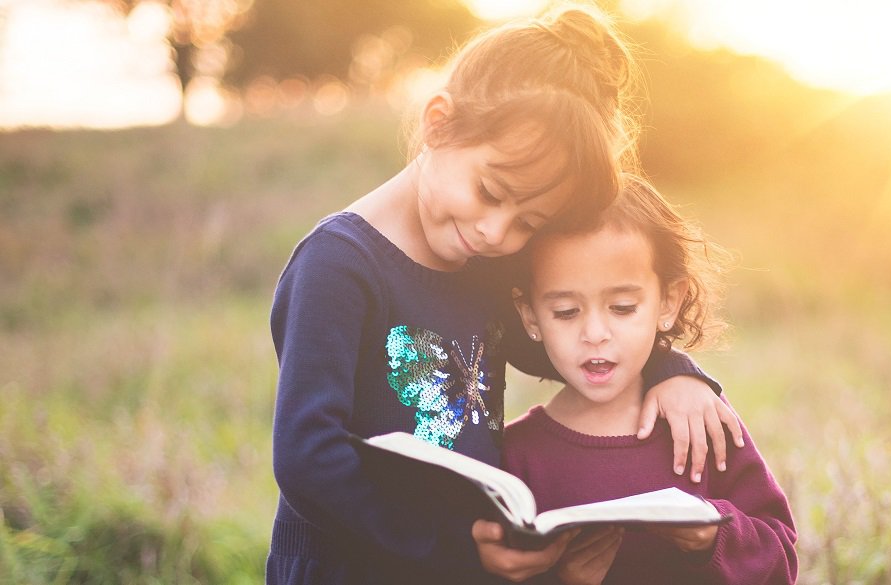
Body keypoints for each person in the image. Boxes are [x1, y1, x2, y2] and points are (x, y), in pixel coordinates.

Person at [266, 5, 743, 584]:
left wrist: (674, 371)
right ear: (439, 123)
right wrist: (454, 548)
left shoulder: (481, 262)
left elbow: (572, 347)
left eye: (528, 222)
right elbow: (307, 458)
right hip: (349, 564)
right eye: (490, 191)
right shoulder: (339, 265)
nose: (498, 233)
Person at [503, 175, 798, 584]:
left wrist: (712, 535)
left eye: (622, 308)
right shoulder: (517, 455)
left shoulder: (699, 420)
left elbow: (780, 557)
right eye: (566, 311)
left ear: (668, 303)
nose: (595, 333)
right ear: (530, 315)